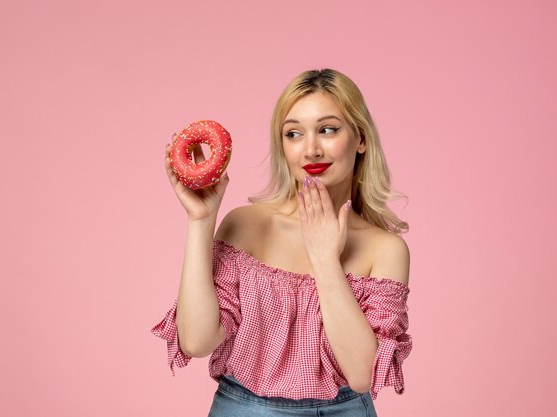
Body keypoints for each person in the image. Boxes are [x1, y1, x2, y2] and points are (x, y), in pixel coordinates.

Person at [151, 68, 412, 416]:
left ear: (360, 138)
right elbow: (197, 341)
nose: (311, 149)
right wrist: (201, 220)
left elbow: (362, 373)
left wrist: (324, 259)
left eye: (328, 129)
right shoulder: (247, 224)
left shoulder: (385, 249)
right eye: (293, 134)